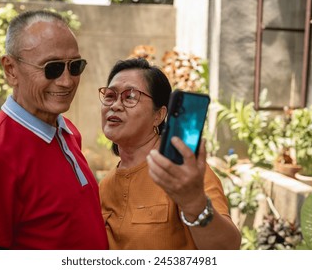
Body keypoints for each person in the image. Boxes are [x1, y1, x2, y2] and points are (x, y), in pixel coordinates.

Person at [0, 10, 108, 250]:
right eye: (52, 68)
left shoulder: (66, 130)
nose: (67, 81)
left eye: (75, 66)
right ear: (11, 70)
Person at [98, 58, 241, 249]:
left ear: (159, 115)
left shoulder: (182, 174)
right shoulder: (105, 186)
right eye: (110, 96)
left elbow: (227, 249)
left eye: (130, 96)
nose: (115, 105)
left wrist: (194, 203)